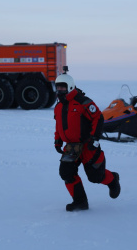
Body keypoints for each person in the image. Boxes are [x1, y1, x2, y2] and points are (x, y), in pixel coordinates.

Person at [54, 70, 121, 211]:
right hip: (71, 146)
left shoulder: (83, 102)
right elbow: (59, 124)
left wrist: (94, 138)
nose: (60, 90)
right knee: (66, 173)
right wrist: (58, 140)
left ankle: (113, 179)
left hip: (87, 145)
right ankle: (80, 201)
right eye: (58, 87)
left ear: (70, 86)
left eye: (63, 87)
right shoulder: (59, 106)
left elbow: (98, 118)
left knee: (95, 176)